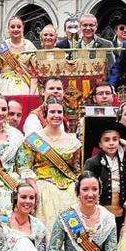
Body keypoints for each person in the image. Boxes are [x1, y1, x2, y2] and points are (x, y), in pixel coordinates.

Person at [18, 96, 81, 236]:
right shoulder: (33, 139)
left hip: (69, 186)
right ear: (45, 115)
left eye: (59, 112)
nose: (56, 115)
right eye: (52, 112)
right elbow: (24, 166)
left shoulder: (73, 141)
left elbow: (77, 170)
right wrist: (33, 187)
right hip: (42, 184)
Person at [83, 121, 126, 234]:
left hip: (120, 212)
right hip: (100, 212)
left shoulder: (125, 161)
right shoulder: (92, 162)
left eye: (115, 139)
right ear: (100, 144)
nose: (111, 143)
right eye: (106, 140)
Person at [0, 16, 38, 95]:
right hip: (4, 85)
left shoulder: (29, 45)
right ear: (8, 29)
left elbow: (36, 68)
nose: (16, 29)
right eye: (12, 27)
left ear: (23, 29)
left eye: (19, 27)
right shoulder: (1, 47)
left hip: (25, 83)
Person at [9, 183, 47, 251]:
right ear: (15, 198)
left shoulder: (39, 227)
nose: (28, 201)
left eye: (31, 198)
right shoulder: (2, 222)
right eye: (23, 197)